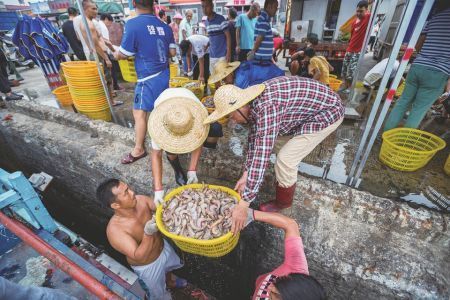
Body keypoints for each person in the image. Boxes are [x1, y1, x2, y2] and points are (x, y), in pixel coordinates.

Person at [204, 76, 344, 232]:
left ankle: (283, 203)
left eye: (231, 115)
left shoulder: (267, 107)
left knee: (286, 159)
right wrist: (245, 174)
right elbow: (254, 141)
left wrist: (244, 205)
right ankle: (283, 185)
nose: (233, 121)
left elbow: (261, 156)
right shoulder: (253, 106)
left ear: (241, 107)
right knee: (274, 145)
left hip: (328, 112)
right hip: (305, 110)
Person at [98, 179, 187, 300]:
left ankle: (170, 282)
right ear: (115, 205)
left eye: (129, 188)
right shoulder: (115, 231)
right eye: (126, 193)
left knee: (168, 269)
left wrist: (169, 201)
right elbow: (139, 256)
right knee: (157, 295)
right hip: (149, 266)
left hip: (162, 247)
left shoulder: (141, 200)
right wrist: (148, 233)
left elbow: (161, 209)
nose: (132, 192)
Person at [113, 0, 176, 164]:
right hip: (164, 74)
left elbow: (123, 54)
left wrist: (114, 53)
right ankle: (169, 141)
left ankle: (139, 149)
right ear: (153, 4)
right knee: (162, 108)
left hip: (147, 78)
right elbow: (172, 52)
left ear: (134, 3)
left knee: (139, 113)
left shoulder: (133, 24)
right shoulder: (166, 27)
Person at [383, 2, 450, 131]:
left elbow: (419, 44)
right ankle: (402, 144)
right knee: (418, 109)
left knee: (402, 103)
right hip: (438, 72)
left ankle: (385, 136)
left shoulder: (434, 18)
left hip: (418, 66)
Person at [147, 88, 211, 204]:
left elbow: (199, 138)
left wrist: (192, 169)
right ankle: (178, 170)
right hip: (165, 104)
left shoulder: (196, 116)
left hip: (188, 104)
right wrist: (158, 189)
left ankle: (188, 170)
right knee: (170, 151)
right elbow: (156, 155)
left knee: (215, 129)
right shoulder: (159, 124)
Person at [245, 210, 326, 300]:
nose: (270, 288)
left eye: (273, 296)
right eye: (279, 281)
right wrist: (249, 214)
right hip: (259, 283)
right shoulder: (297, 268)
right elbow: (290, 225)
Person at [73, 0, 121, 105]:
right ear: (85, 10)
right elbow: (96, 45)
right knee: (105, 80)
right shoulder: (89, 25)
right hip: (99, 55)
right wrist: (107, 58)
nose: (96, 11)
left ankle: (110, 100)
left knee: (107, 79)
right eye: (93, 9)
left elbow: (101, 39)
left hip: (99, 54)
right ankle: (110, 102)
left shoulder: (90, 22)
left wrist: (112, 50)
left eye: (96, 8)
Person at [340, 1, 370, 93]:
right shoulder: (353, 23)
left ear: (366, 10)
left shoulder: (367, 18)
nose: (358, 13)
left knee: (352, 71)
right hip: (350, 49)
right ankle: (344, 85)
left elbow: (371, 10)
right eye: (357, 11)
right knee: (344, 69)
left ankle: (350, 87)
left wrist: (370, 2)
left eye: (361, 11)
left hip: (358, 51)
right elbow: (352, 36)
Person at [201, 0, 232, 70]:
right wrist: (207, 45)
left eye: (206, 6)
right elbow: (211, 37)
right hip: (212, 56)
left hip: (222, 55)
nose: (204, 9)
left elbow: (228, 36)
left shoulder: (221, 19)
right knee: (214, 79)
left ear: (212, 6)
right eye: (202, 7)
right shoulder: (206, 22)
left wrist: (228, 53)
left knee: (226, 78)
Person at [99, 13, 123, 92]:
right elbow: (107, 42)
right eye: (109, 22)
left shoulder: (98, 24)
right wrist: (114, 51)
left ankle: (113, 89)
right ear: (106, 19)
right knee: (110, 72)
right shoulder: (103, 27)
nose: (109, 25)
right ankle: (113, 90)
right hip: (105, 52)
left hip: (102, 52)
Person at [179, 10, 194, 75]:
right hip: (184, 42)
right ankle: (186, 72)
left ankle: (189, 70)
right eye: (188, 16)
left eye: (190, 16)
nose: (189, 17)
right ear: (185, 15)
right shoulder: (184, 22)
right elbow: (183, 33)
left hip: (188, 41)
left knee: (188, 56)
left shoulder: (189, 22)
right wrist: (187, 42)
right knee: (186, 56)